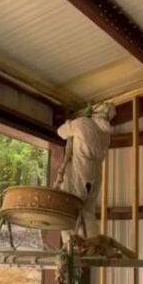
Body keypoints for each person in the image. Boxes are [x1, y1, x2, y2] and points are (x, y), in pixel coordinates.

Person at [55, 102, 115, 237]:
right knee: (87, 212)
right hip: (95, 177)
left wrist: (70, 123)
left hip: (79, 174)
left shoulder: (82, 124)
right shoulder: (106, 135)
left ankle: (70, 250)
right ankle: (91, 245)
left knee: (68, 211)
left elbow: (60, 132)